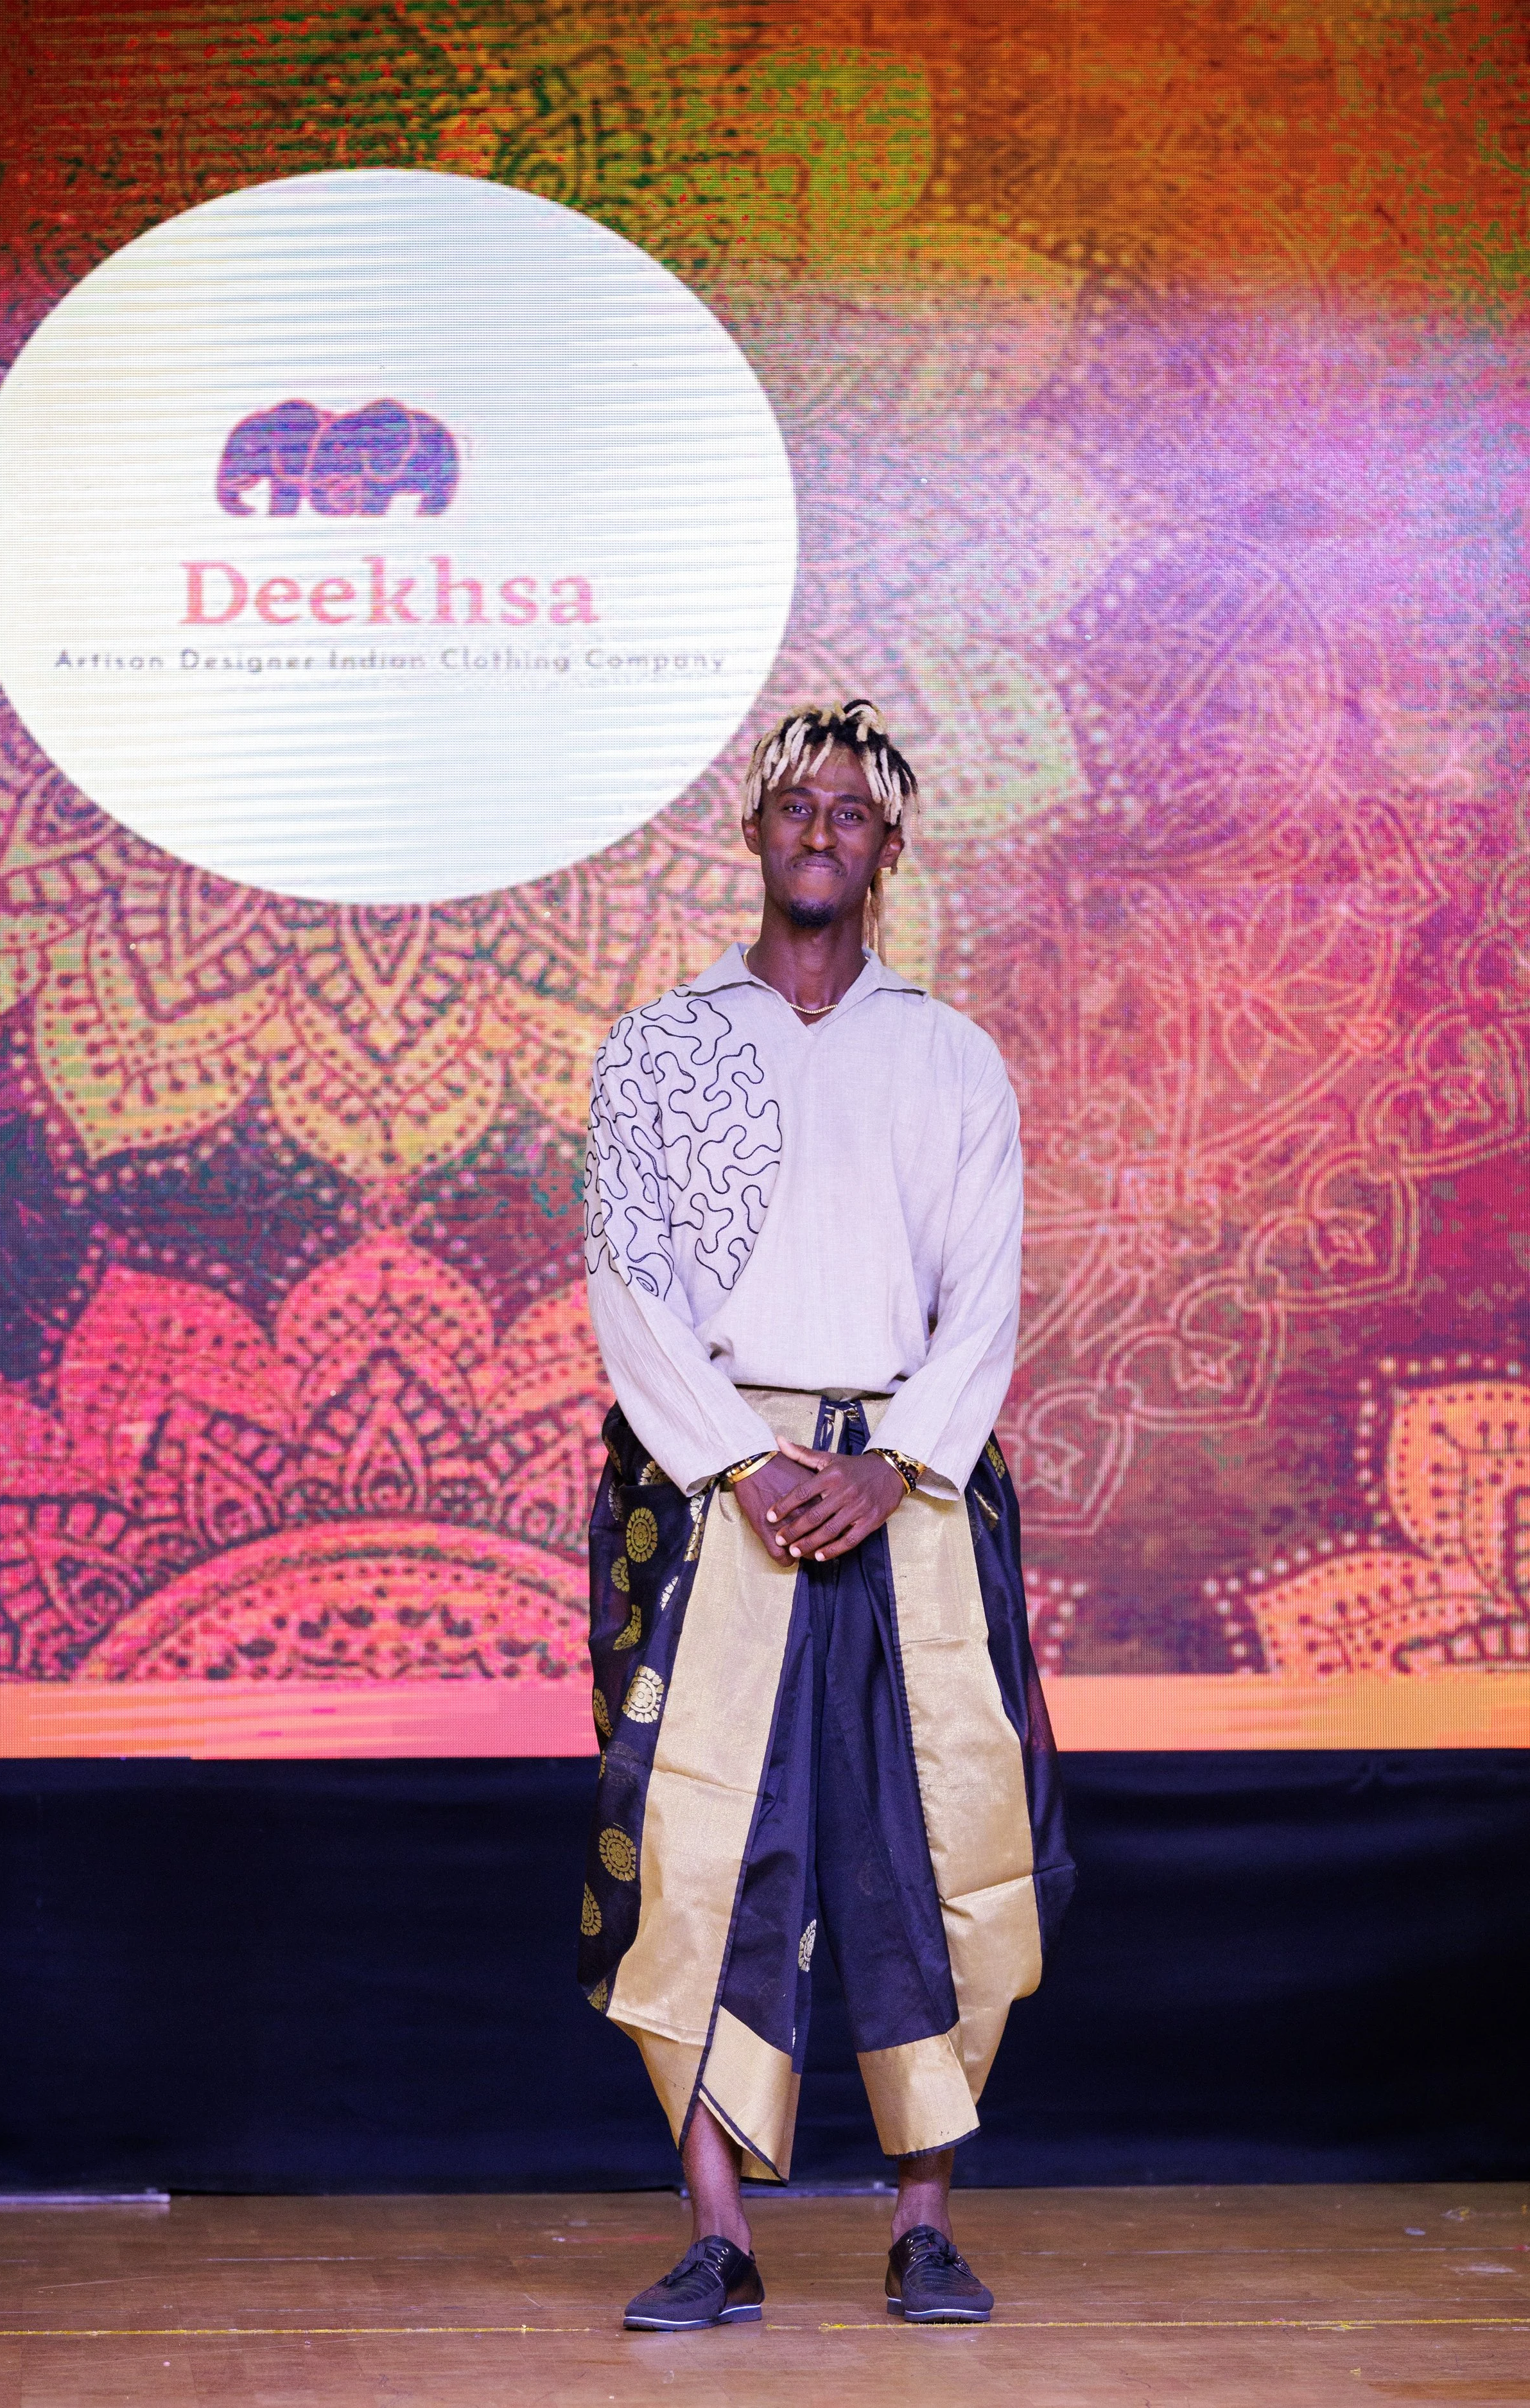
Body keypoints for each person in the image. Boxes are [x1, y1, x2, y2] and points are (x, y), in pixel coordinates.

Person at [578, 699, 1074, 2331]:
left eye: (850, 813)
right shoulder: (657, 1048)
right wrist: (742, 1462)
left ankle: (921, 2221)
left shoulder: (948, 1054)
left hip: (906, 1485)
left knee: (934, 1842)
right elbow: (631, 1289)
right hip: (719, 1483)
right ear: (754, 834)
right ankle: (716, 2229)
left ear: (886, 848)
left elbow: (982, 1297)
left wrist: (885, 1465)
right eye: (795, 806)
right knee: (704, 1846)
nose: (819, 832)